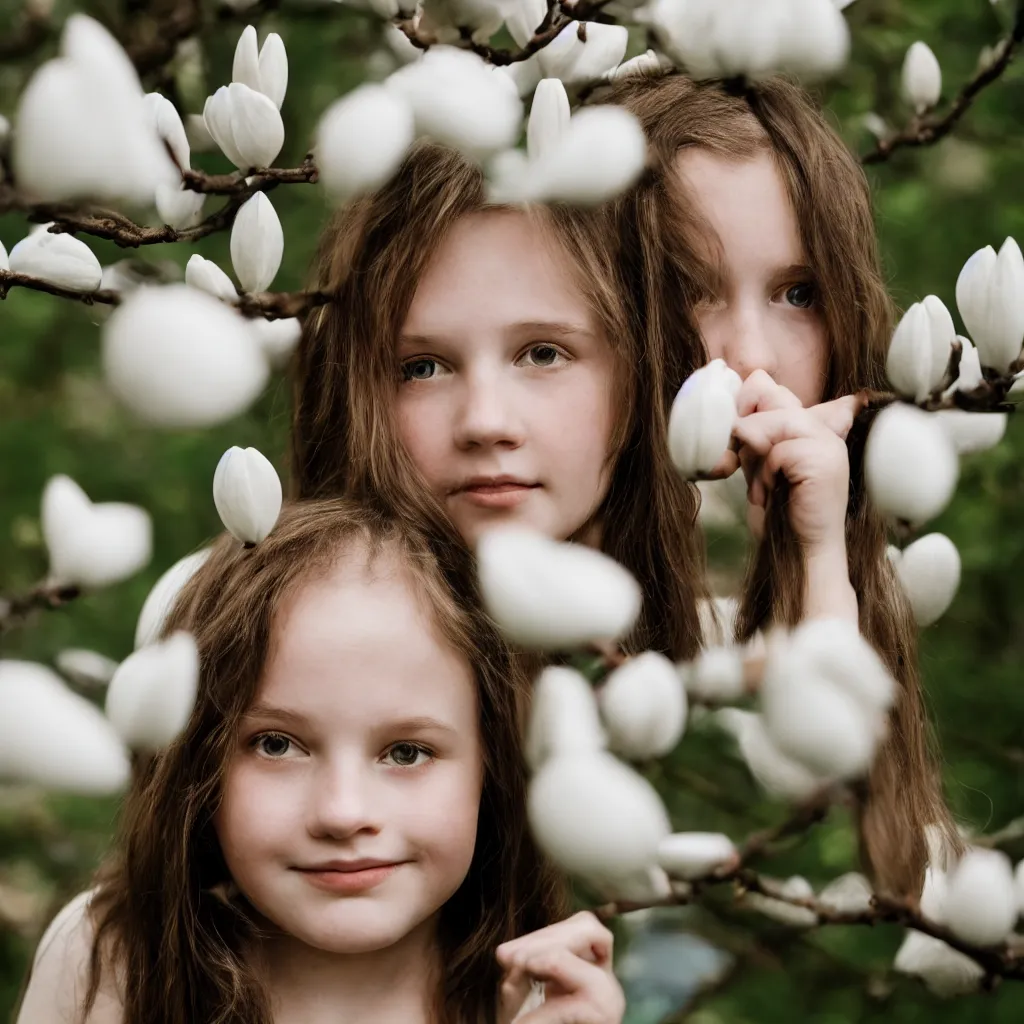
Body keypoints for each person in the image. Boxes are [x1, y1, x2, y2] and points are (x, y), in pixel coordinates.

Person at [16, 500, 625, 1024]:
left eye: (406, 752)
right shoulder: (116, 960)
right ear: (199, 760)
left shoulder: (542, 1001)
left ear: (493, 769)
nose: (343, 812)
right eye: (276, 744)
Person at [604, 71, 960, 896]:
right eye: (690, 289)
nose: (750, 352)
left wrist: (814, 566)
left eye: (799, 293)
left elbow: (881, 906)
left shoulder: (825, 583)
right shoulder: (527, 581)